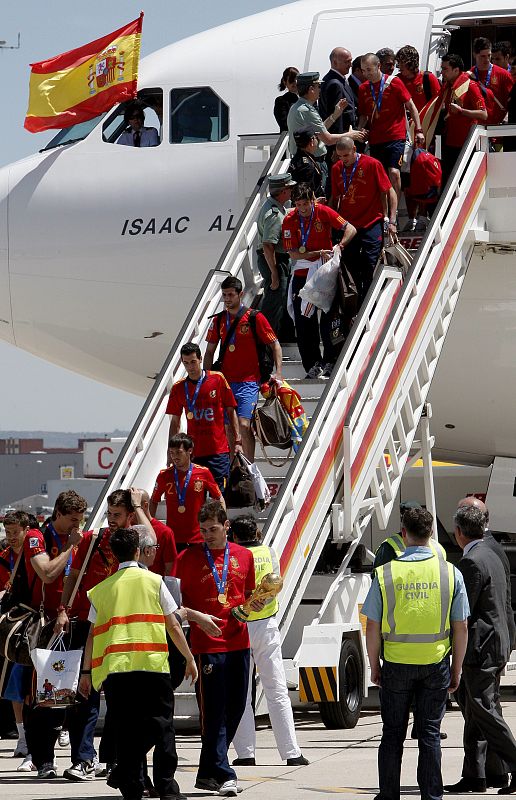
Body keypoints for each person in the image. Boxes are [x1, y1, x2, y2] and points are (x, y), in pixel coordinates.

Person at [79, 527, 197, 800]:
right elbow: (173, 626)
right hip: (152, 665)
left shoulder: (101, 590)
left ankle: (130, 784)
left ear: (114, 553)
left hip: (117, 669)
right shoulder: (154, 581)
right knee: (163, 726)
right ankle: (166, 787)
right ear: (137, 550)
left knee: (126, 727)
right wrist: (189, 657)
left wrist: (86, 672)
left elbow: (92, 635)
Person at [363, 507, 469, 800]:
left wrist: (374, 665)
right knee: (430, 734)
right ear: (431, 533)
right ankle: (432, 796)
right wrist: (456, 668)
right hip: (436, 663)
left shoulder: (386, 573)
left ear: (404, 533)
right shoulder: (450, 572)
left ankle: (388, 795)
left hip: (396, 664)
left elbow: (372, 626)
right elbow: (461, 627)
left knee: (392, 734)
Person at [174, 500, 255, 796]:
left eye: (212, 529)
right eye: (203, 530)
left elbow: (248, 597)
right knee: (214, 712)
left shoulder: (244, 556)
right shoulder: (187, 558)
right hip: (207, 644)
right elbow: (172, 605)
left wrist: (252, 607)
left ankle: (207, 771)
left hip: (239, 641)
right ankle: (223, 773)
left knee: (235, 708)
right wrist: (196, 617)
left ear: (226, 526)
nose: (207, 534)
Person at [445, 505, 516, 794]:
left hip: (481, 648)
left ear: (458, 533)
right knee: (477, 710)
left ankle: (511, 762)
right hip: (496, 643)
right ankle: (482, 774)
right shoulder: (492, 552)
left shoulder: (471, 562)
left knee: (482, 709)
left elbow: (464, 612)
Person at [230, 515, 308, 767]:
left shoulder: (232, 555)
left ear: (234, 536)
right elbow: (276, 584)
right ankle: (291, 752)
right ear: (258, 533)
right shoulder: (269, 552)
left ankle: (245, 754)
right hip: (266, 625)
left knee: (242, 693)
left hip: (240, 626)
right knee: (276, 689)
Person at [23, 490, 86, 779]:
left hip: (75, 621)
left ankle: (82, 758)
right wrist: (70, 548)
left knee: (76, 693)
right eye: (72, 519)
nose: (77, 525)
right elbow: (47, 572)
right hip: (45, 625)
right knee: (44, 695)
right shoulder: (37, 536)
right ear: (58, 514)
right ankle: (43, 759)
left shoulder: (81, 536)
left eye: (80, 520)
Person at [204, 276, 283, 461]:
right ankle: (234, 468)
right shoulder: (218, 321)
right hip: (225, 382)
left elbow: (275, 345)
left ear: (240, 294)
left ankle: (249, 467)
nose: (227, 299)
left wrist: (279, 372)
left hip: (249, 381)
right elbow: (209, 352)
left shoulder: (255, 317)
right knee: (229, 427)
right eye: (224, 295)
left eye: (231, 295)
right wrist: (206, 379)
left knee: (244, 424)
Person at [282, 183, 356, 379]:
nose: (303, 209)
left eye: (306, 204)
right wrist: (316, 253)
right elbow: (293, 254)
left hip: (325, 272)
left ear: (312, 200)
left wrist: (340, 244)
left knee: (329, 319)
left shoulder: (323, 212)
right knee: (304, 322)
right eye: (298, 205)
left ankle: (331, 361)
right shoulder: (290, 219)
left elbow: (351, 229)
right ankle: (313, 364)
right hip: (302, 272)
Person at [329, 136, 396, 303]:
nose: (343, 160)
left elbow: (389, 192)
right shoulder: (337, 168)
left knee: (370, 263)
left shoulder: (372, 164)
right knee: (350, 265)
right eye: (340, 156)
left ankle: (370, 301)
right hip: (349, 226)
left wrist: (392, 220)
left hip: (371, 222)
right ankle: (358, 304)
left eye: (346, 155)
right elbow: (335, 198)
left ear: (354, 150)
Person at [167, 341, 241, 492]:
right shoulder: (178, 388)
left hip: (218, 451)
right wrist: (171, 452)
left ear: (200, 359)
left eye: (193, 362)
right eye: (186, 363)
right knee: (197, 497)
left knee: (219, 496)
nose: (190, 367)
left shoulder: (217, 379)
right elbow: (175, 423)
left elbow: (231, 412)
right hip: (193, 452)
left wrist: (238, 441)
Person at [358, 53, 425, 201]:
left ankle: (393, 212)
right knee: (380, 178)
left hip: (396, 136)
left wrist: (419, 130)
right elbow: (363, 115)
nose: (366, 74)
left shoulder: (394, 82)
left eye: (369, 69)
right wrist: (359, 131)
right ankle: (385, 213)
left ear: (378, 66)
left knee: (394, 172)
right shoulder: (363, 88)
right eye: (363, 70)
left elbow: (411, 106)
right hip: (376, 139)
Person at [287, 71, 366, 190]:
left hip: (307, 160)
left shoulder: (299, 107)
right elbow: (327, 139)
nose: (320, 89)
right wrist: (350, 135)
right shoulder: (307, 110)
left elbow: (319, 130)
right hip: (313, 161)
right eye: (318, 86)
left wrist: (335, 114)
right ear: (311, 89)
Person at [150, 433, 223, 552]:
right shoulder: (164, 475)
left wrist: (220, 522)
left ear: (189, 451)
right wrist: (150, 526)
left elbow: (219, 498)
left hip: (199, 537)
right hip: (173, 537)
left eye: (178, 452)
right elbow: (153, 501)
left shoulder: (203, 472)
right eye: (171, 453)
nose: (174, 457)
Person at [0, 511, 33, 767]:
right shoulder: (3, 560)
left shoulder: (38, 556)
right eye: (7, 532)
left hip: (34, 627)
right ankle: (23, 739)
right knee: (14, 688)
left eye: (15, 532)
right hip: (11, 631)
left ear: (26, 530)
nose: (11, 537)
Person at [255, 174, 297, 338]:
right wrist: (274, 274)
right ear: (283, 191)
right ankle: (265, 339)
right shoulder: (273, 215)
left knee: (281, 299)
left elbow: (285, 213)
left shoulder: (275, 207)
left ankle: (277, 335)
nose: (292, 191)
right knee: (275, 301)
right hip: (274, 261)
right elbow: (268, 245)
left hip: (276, 259)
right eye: (290, 188)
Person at [438, 54, 487, 186]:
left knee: (464, 183)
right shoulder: (447, 87)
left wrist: (461, 111)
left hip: (466, 144)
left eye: (445, 69)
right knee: (449, 182)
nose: (442, 72)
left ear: (456, 70)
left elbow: (484, 114)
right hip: (449, 143)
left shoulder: (471, 86)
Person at [319, 47, 359, 169]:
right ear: (335, 62)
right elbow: (337, 117)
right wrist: (339, 148)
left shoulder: (339, 80)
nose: (350, 65)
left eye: (351, 61)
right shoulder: (334, 83)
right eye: (347, 62)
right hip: (341, 145)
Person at [469, 37, 513, 125]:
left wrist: (507, 118)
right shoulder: (469, 75)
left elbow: (512, 101)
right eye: (483, 56)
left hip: (498, 127)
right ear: (474, 55)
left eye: (489, 55)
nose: (487, 60)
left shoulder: (503, 74)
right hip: (477, 128)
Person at [395, 46, 441, 113]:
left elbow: (438, 103)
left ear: (412, 63)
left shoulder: (428, 78)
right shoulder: (397, 80)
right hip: (404, 121)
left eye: (402, 63)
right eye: (399, 62)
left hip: (424, 121)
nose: (399, 66)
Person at [289, 130, 325, 197]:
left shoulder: (297, 158)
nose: (317, 140)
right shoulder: (306, 165)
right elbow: (307, 189)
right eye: (316, 137)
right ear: (311, 141)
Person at [273, 67, 299, 132]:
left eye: (297, 79)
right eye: (291, 80)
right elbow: (285, 124)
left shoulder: (308, 98)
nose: (294, 83)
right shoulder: (281, 101)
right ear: (285, 82)